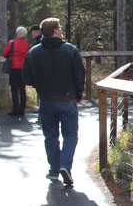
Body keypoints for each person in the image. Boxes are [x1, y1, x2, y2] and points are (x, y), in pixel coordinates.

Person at [23, 17, 86, 186]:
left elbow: (26, 76)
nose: (61, 30)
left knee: (50, 136)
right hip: (67, 98)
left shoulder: (34, 52)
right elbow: (80, 74)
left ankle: (53, 170)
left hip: (46, 99)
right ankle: (65, 165)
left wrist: (39, 85)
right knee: (70, 135)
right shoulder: (70, 50)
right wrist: (79, 94)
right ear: (55, 30)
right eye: (59, 27)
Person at [2, 26, 30, 116]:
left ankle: (15, 109)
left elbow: (5, 53)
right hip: (23, 68)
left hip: (14, 67)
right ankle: (22, 108)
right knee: (22, 88)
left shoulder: (12, 43)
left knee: (14, 89)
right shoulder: (26, 44)